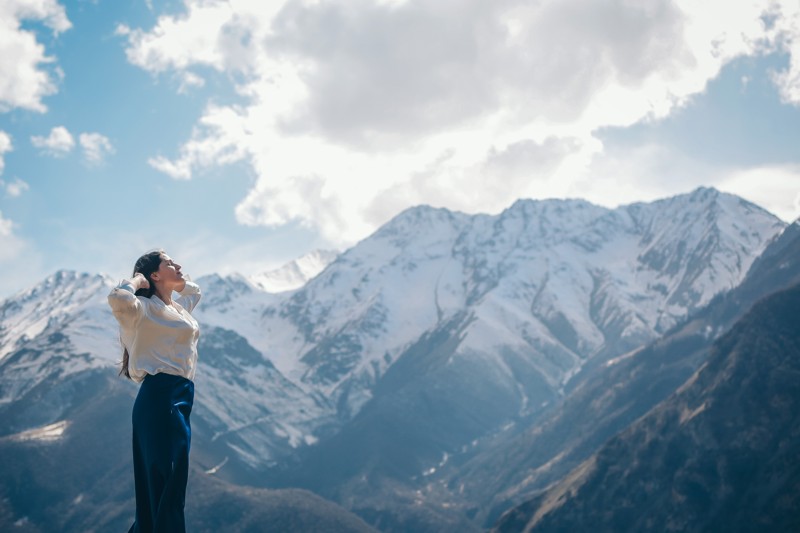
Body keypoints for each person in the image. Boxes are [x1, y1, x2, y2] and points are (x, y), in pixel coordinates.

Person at [108, 250, 202, 533]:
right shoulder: (141, 310)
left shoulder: (179, 308)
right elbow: (118, 299)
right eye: (169, 263)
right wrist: (138, 280)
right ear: (155, 275)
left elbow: (195, 290)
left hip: (180, 398)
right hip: (160, 397)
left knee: (166, 483)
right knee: (167, 481)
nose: (178, 265)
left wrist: (172, 280)